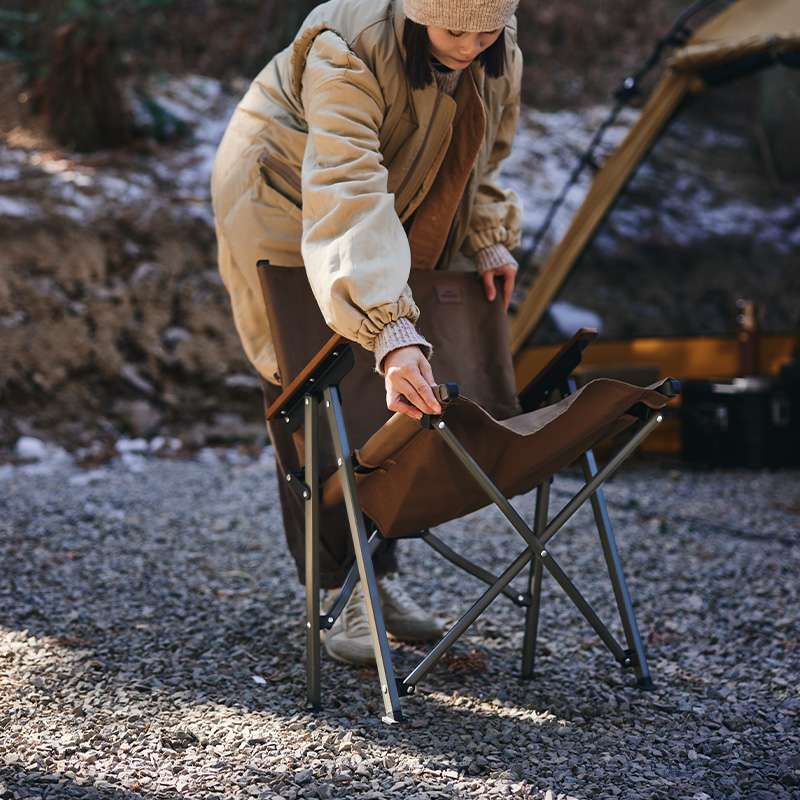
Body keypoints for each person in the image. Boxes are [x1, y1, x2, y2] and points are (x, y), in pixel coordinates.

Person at [210, 0, 523, 665]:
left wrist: (487, 235)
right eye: (452, 32)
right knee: (315, 380)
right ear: (417, 15)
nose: (471, 47)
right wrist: (387, 326)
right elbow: (345, 185)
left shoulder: (498, 41)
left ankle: (377, 578)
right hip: (283, 192)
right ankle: (338, 595)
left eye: (487, 30)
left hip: (383, 192)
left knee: (398, 389)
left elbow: (485, 153)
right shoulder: (344, 49)